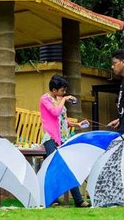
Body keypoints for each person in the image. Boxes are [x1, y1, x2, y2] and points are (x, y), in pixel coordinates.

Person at [39, 74, 91, 207]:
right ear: (54, 90)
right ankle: (53, 199)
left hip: (63, 138)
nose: (64, 93)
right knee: (55, 166)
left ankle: (78, 200)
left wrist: (77, 125)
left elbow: (62, 120)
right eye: (62, 90)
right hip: (50, 137)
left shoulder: (59, 99)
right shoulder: (45, 99)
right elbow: (55, 112)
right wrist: (64, 100)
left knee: (68, 166)